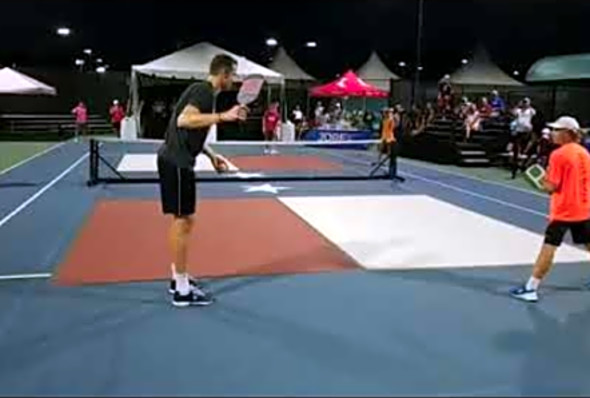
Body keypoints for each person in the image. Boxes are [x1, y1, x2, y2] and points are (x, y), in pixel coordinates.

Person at [157, 54, 245, 307]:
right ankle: (182, 290)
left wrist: (212, 155)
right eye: (234, 75)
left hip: (175, 159)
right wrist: (222, 117)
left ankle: (178, 278)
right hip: (177, 162)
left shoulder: (202, 91)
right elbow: (184, 120)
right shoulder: (205, 92)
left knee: (183, 220)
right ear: (224, 74)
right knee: (183, 222)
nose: (235, 80)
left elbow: (190, 130)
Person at [511, 116, 590, 303]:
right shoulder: (585, 154)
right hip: (584, 209)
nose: (552, 133)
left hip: (564, 212)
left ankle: (531, 288)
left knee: (548, 249)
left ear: (567, 133)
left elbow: (551, 187)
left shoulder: (559, 155)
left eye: (556, 130)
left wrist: (537, 180)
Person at [510, 98, 536, 178]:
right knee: (516, 151)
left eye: (526, 102)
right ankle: (514, 169)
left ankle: (523, 166)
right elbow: (513, 112)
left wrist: (528, 106)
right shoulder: (518, 111)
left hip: (527, 133)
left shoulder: (531, 111)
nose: (524, 104)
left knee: (527, 151)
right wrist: (518, 105)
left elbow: (534, 113)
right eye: (523, 102)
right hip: (519, 132)